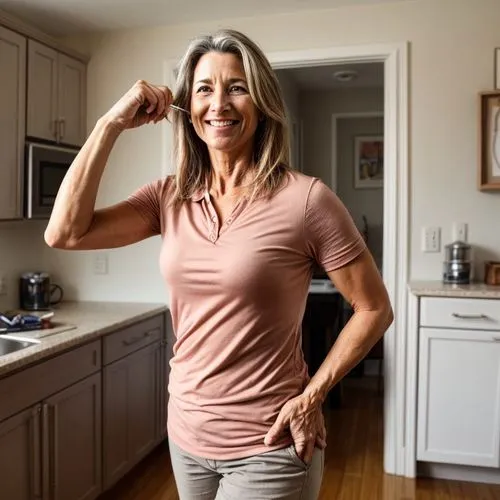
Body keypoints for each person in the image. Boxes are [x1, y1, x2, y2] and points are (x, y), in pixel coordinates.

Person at [44, 28, 393, 500]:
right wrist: (110, 123)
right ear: (188, 107)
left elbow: (374, 308)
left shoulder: (307, 199)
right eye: (205, 89)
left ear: (262, 101)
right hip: (187, 437)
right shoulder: (168, 196)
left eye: (237, 87)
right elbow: (64, 232)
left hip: (268, 443)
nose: (219, 104)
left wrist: (313, 394)